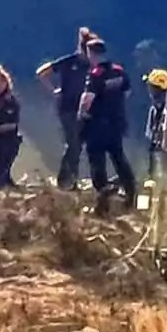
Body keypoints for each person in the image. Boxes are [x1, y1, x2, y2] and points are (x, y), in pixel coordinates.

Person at [78, 36, 137, 215]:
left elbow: (88, 98)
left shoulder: (95, 74)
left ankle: (103, 200)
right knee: (119, 158)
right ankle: (130, 193)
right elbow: (127, 92)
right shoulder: (119, 71)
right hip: (116, 123)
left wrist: (81, 114)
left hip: (97, 124)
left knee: (97, 162)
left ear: (91, 53)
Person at [36, 27, 94, 189]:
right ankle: (64, 180)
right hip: (67, 108)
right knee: (73, 143)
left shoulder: (91, 66)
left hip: (83, 110)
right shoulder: (69, 61)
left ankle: (71, 180)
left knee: (77, 144)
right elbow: (41, 73)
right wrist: (54, 90)